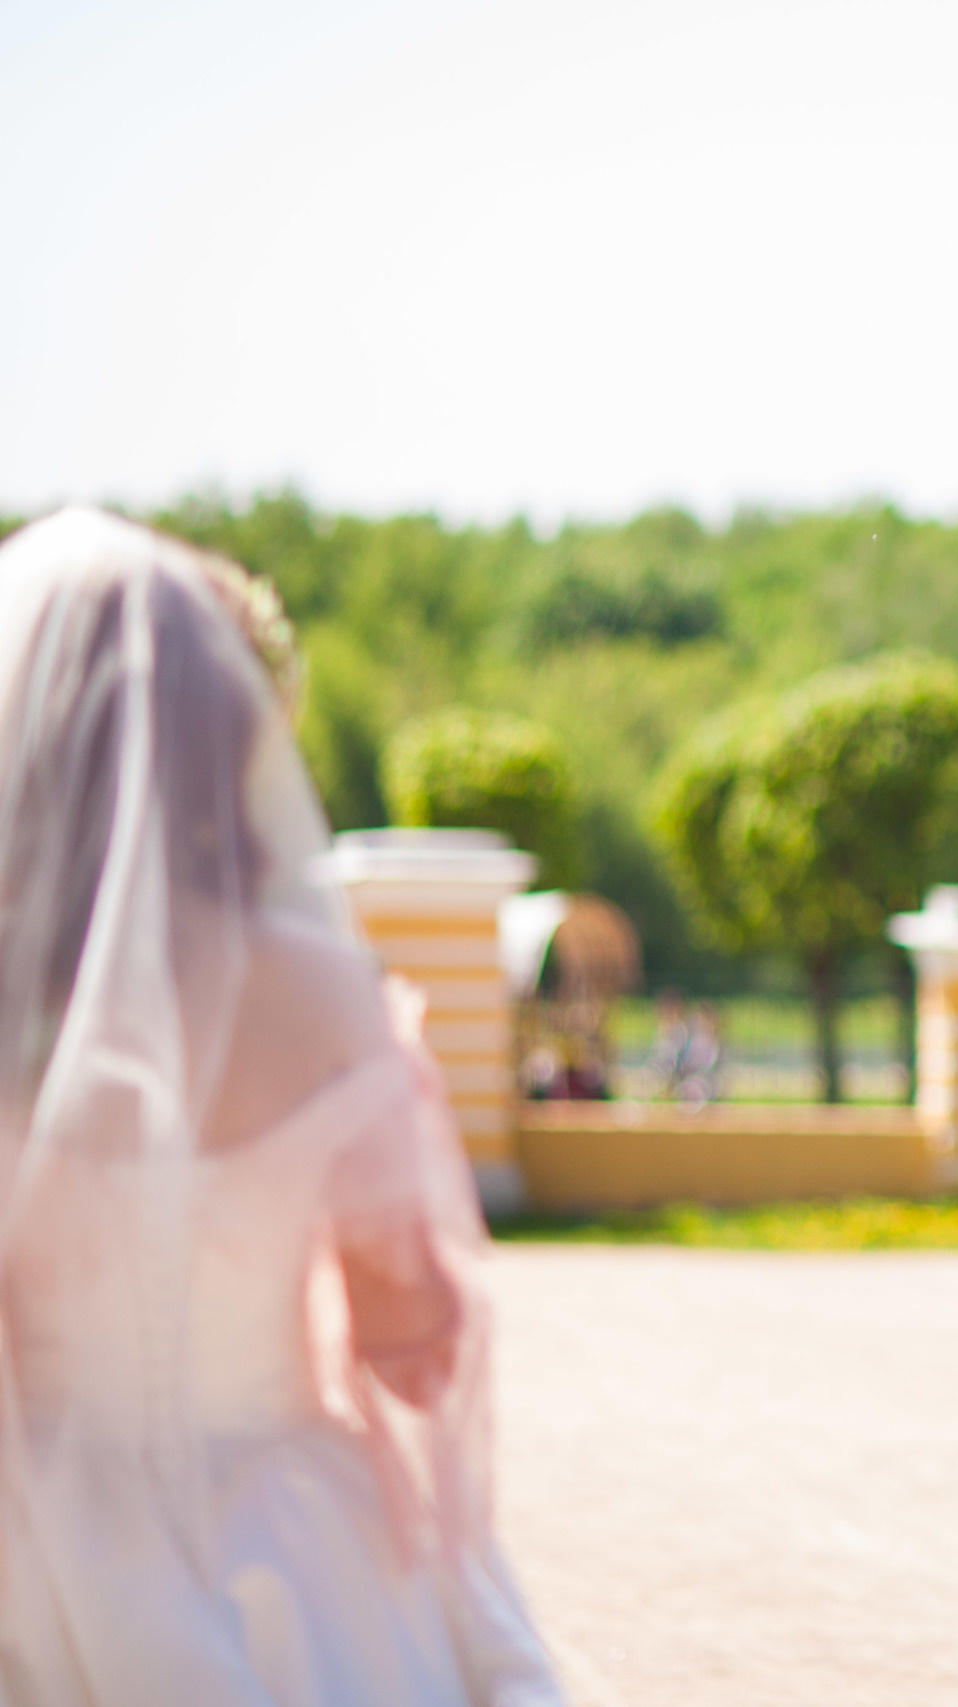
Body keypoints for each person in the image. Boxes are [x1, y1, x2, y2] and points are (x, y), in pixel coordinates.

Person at [0, 509, 564, 1705]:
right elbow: (403, 1335)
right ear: (226, 739)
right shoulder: (315, 994)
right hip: (290, 1533)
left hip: (37, 1544)